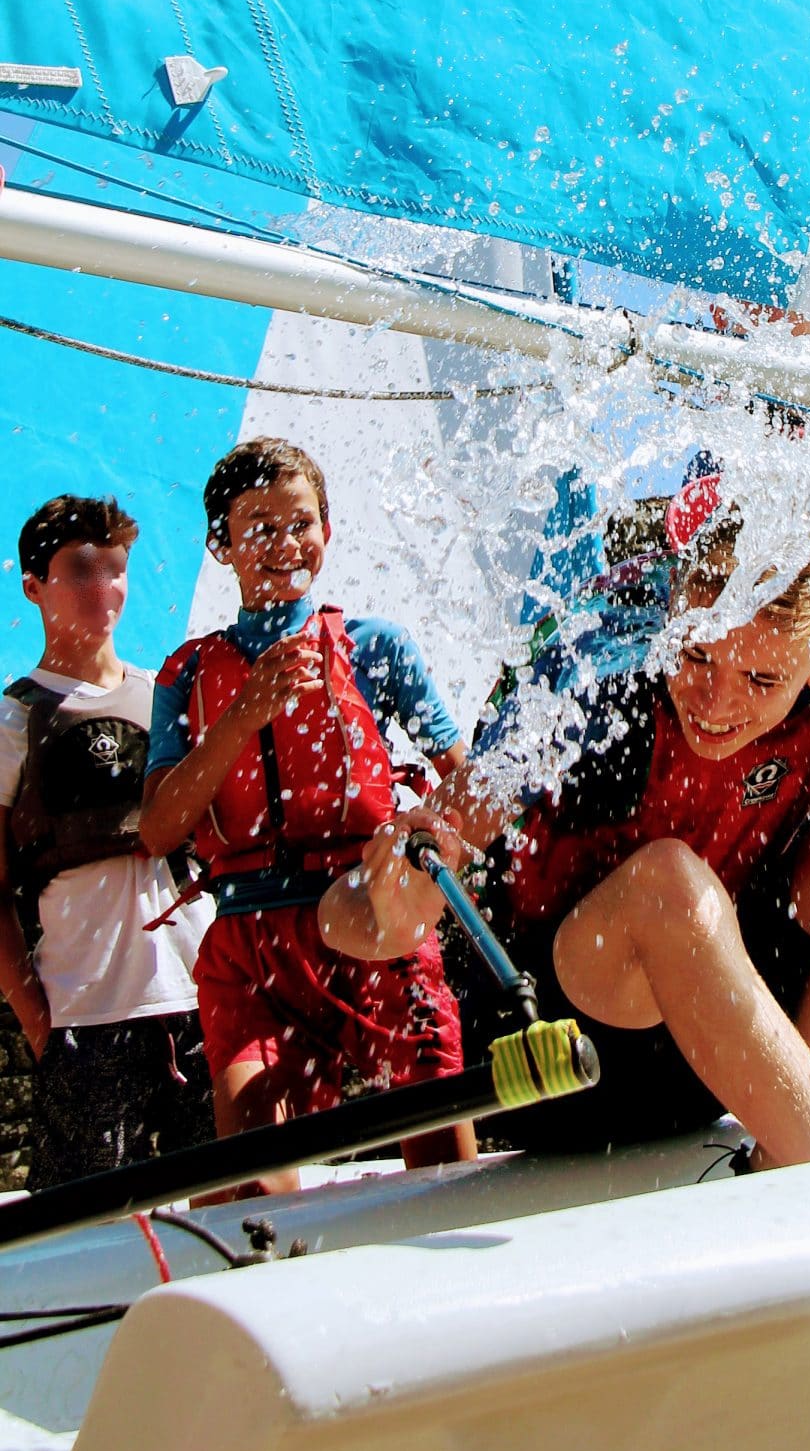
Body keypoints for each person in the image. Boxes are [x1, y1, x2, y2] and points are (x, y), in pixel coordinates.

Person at [321, 468, 810, 1168]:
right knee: (671, 879)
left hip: (733, 1038)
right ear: (673, 614)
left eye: (761, 677)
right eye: (695, 656)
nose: (715, 700)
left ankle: (788, 1157)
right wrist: (389, 901)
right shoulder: (595, 692)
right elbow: (350, 921)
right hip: (573, 1059)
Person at [139, 438, 473, 1174]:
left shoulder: (376, 645)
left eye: (302, 524)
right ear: (220, 545)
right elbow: (160, 828)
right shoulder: (189, 671)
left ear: (326, 531)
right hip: (247, 942)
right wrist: (241, 716)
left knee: (440, 1147)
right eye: (259, 527)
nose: (285, 544)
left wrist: (427, 852)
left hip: (371, 912)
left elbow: (465, 781)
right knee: (253, 1181)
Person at [0, 495, 215, 1190]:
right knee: (80, 1225)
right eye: (83, 570)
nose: (106, 587)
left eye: (117, 569)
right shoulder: (12, 720)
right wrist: (38, 1020)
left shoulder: (169, 696)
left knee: (231, 1201)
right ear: (33, 585)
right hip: (85, 1020)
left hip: (202, 999)